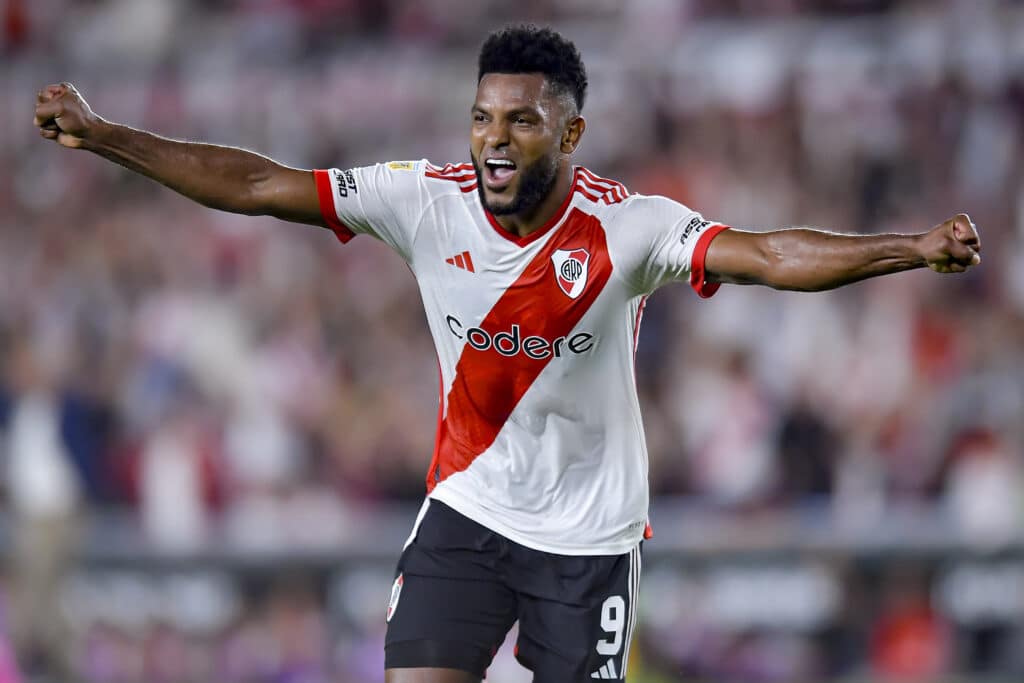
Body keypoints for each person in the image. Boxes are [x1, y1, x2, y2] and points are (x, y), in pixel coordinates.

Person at [33, 24, 980, 683]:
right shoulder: (422, 199)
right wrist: (108, 135)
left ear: (570, 132)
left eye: (522, 120)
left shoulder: (630, 228)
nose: (493, 139)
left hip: (590, 538)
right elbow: (256, 184)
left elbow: (770, 255)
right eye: (483, 116)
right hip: (468, 515)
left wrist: (908, 248)